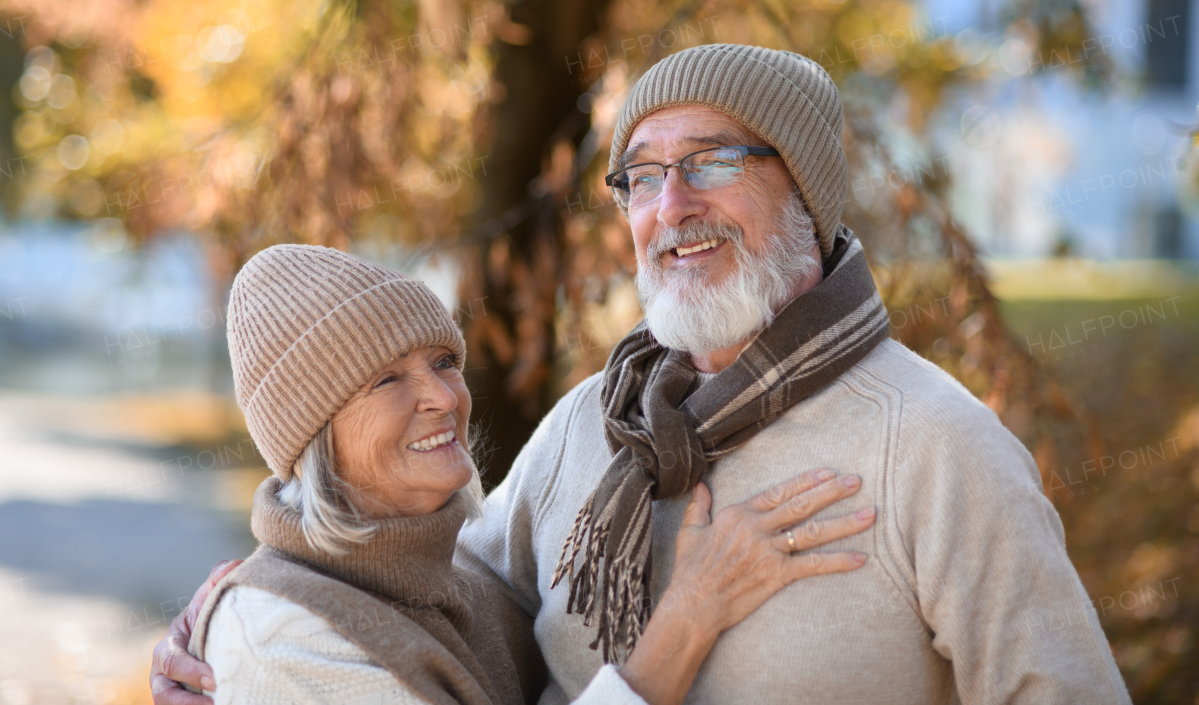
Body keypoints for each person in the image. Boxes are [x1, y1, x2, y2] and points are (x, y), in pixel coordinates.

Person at [155, 44, 1132, 703]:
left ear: (803, 191)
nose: (671, 205)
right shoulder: (591, 426)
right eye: (641, 175)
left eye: (711, 162)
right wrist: (238, 614)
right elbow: (422, 591)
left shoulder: (932, 443)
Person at [174, 243, 874, 705]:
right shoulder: (281, 637)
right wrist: (689, 616)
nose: (444, 398)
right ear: (313, 431)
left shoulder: (459, 567)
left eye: (444, 361)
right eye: (388, 379)